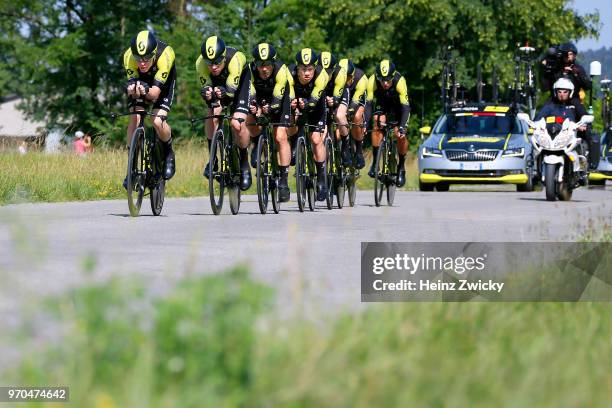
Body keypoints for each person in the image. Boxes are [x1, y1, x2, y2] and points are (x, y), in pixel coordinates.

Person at [197, 35, 253, 191]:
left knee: (236, 123)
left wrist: (222, 93)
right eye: (209, 63)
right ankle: (213, 158)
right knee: (212, 114)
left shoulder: (235, 60)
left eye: (217, 62)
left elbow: (230, 93)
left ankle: (244, 163)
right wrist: (207, 93)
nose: (213, 67)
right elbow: (207, 88)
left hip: (239, 84)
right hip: (218, 85)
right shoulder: (200, 64)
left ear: (223, 57)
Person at [123, 30, 176, 189]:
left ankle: (168, 152)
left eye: (146, 58)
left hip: (162, 84)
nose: (142, 63)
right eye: (139, 59)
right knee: (135, 118)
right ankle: (131, 167)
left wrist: (144, 90)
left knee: (157, 121)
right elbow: (132, 87)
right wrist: (130, 88)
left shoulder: (165, 55)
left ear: (153, 54)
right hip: (142, 81)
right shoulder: (128, 57)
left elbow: (153, 94)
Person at [246, 42, 294, 202]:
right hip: (260, 97)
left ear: (273, 63)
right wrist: (255, 107)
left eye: (267, 65)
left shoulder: (281, 70)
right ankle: (256, 142)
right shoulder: (251, 70)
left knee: (280, 136)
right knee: (249, 118)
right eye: (260, 64)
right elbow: (250, 92)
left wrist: (269, 109)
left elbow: (277, 100)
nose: (264, 68)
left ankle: (284, 181)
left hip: (279, 99)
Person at [287, 48, 330, 201]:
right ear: (297, 68)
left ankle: (322, 179)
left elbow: (313, 102)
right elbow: (288, 96)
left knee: (316, 140)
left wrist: (306, 104)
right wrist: (294, 105)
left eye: (310, 69)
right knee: (290, 121)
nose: (306, 73)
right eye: (303, 69)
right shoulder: (289, 74)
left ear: (315, 68)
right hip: (298, 103)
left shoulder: (322, 75)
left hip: (316, 105)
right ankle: (294, 146)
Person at [364, 60, 411, 187]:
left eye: (388, 80)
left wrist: (402, 127)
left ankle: (401, 167)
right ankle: (375, 163)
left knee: (399, 134)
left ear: (393, 76)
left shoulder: (400, 81)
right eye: (382, 80)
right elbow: (368, 104)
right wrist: (365, 123)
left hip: (398, 106)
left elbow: (406, 107)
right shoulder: (372, 80)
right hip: (382, 103)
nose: (385, 83)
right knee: (377, 122)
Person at [534, 77, 588, 184]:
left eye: (565, 92)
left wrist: (583, 124)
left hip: (570, 135)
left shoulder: (575, 103)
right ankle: (535, 170)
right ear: (555, 92)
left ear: (570, 92)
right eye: (559, 91)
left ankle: (582, 172)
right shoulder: (550, 104)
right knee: (535, 145)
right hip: (552, 136)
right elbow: (539, 117)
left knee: (583, 146)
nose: (562, 94)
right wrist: (534, 124)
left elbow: (584, 116)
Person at [318, 51, 351, 165]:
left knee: (339, 115)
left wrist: (334, 100)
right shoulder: (314, 73)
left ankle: (346, 147)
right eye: (323, 71)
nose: (326, 75)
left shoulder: (340, 73)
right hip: (322, 95)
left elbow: (336, 98)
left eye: (329, 71)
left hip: (339, 93)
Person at [339, 58, 367, 169]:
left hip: (356, 98)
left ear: (353, 75)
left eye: (349, 77)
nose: (347, 81)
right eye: (344, 78)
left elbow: (356, 102)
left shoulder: (361, 78)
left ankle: (359, 151)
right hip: (341, 96)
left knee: (356, 116)